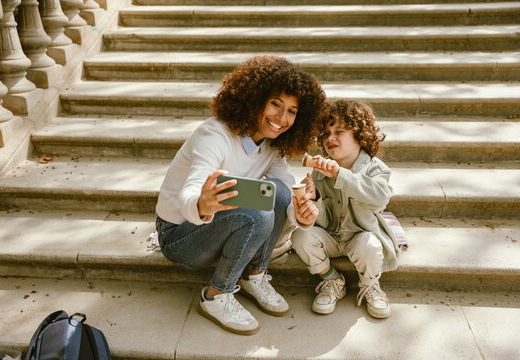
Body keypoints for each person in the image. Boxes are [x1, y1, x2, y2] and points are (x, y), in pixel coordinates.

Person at [155, 56, 325, 335]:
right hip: (179, 235)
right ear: (254, 98)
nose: (282, 119)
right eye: (275, 104)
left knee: (279, 192)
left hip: (220, 225)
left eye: (292, 111)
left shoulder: (271, 145)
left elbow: (286, 197)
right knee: (255, 209)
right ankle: (215, 296)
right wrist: (201, 203)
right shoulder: (215, 134)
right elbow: (192, 188)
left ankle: (253, 275)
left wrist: (303, 212)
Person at [291, 100, 400, 319]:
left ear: (360, 136)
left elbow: (379, 198)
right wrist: (314, 199)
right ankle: (332, 280)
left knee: (369, 245)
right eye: (325, 134)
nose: (330, 138)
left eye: (339, 132)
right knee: (301, 236)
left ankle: (369, 284)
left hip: (360, 235)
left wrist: (341, 175)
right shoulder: (320, 172)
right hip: (332, 236)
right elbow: (320, 221)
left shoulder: (375, 168)